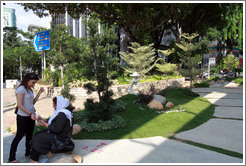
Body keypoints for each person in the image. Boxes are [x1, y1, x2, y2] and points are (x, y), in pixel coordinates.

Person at [8, 73, 45, 163]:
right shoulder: (21, 89)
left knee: (29, 136)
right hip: (23, 117)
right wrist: (30, 113)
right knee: (19, 136)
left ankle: (28, 153)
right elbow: (20, 105)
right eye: (32, 82)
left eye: (35, 83)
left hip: (30, 117)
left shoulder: (30, 90)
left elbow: (32, 103)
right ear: (27, 80)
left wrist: (39, 93)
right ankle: (11, 158)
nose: (34, 85)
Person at [29, 96, 74, 163]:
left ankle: (34, 159)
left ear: (59, 104)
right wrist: (44, 120)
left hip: (60, 137)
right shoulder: (62, 112)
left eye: (54, 105)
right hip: (58, 134)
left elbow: (57, 129)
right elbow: (55, 121)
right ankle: (36, 153)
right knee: (38, 133)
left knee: (39, 138)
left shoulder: (63, 114)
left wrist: (45, 124)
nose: (53, 107)